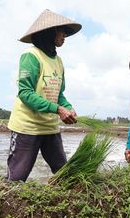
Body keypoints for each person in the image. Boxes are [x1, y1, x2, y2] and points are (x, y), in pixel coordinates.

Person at [6, 9, 80, 181]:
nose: (64, 36)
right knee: (16, 178)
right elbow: (25, 93)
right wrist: (57, 108)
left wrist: (67, 107)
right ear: (50, 31)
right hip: (27, 127)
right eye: (62, 31)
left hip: (50, 127)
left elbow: (59, 94)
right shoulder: (31, 56)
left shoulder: (58, 61)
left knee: (65, 176)